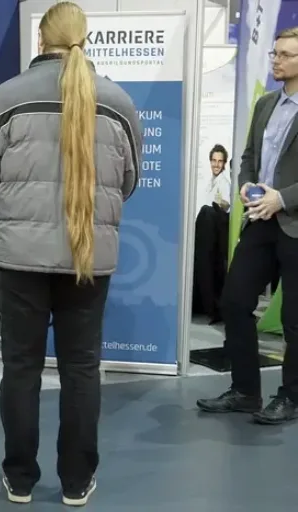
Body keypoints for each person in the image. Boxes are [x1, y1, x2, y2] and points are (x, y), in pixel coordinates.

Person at [0, 2, 141, 505]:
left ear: (40, 41)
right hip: (89, 256)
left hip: (20, 257)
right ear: (86, 39)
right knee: (82, 369)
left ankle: (19, 478)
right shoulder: (119, 102)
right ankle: (76, 481)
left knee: (20, 368)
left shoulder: (5, 98)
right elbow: (127, 182)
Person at [197, 26, 298, 426]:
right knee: (235, 302)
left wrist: (282, 198)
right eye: (275, 53)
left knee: (294, 320)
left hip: (293, 222)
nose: (276, 60)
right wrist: (245, 184)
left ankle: (291, 397)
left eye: (285, 55)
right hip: (259, 220)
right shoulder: (266, 104)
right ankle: (245, 392)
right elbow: (248, 156)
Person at [192, 144, 232, 323]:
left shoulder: (224, 182)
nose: (216, 164)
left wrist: (222, 203)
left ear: (224, 163)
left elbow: (226, 204)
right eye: (214, 160)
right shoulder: (210, 182)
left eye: (220, 161)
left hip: (214, 234)